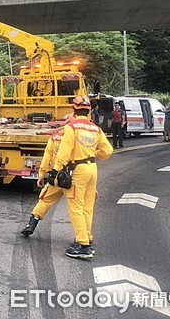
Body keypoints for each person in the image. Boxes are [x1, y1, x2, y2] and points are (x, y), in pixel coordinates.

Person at [48, 96, 113, 259]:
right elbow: (108, 150)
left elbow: (64, 151)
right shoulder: (95, 129)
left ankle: (83, 246)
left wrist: (55, 170)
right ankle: (87, 238)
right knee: (87, 208)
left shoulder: (72, 127)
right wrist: (93, 154)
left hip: (78, 170)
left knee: (75, 208)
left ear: (74, 110)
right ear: (89, 110)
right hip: (92, 169)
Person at [21, 115, 75, 237]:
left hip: (55, 178)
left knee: (44, 200)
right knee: (76, 208)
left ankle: (31, 225)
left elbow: (46, 158)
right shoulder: (77, 139)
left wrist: (41, 175)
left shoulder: (55, 138)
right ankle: (83, 238)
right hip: (73, 178)